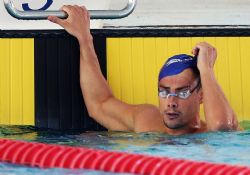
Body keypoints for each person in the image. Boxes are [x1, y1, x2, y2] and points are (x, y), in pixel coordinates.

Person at [48, 5, 239, 135]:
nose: (170, 102)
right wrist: (84, 38)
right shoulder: (148, 120)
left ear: (201, 96)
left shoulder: (207, 136)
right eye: (164, 92)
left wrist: (206, 70)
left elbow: (223, 129)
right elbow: (99, 104)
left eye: (182, 92)